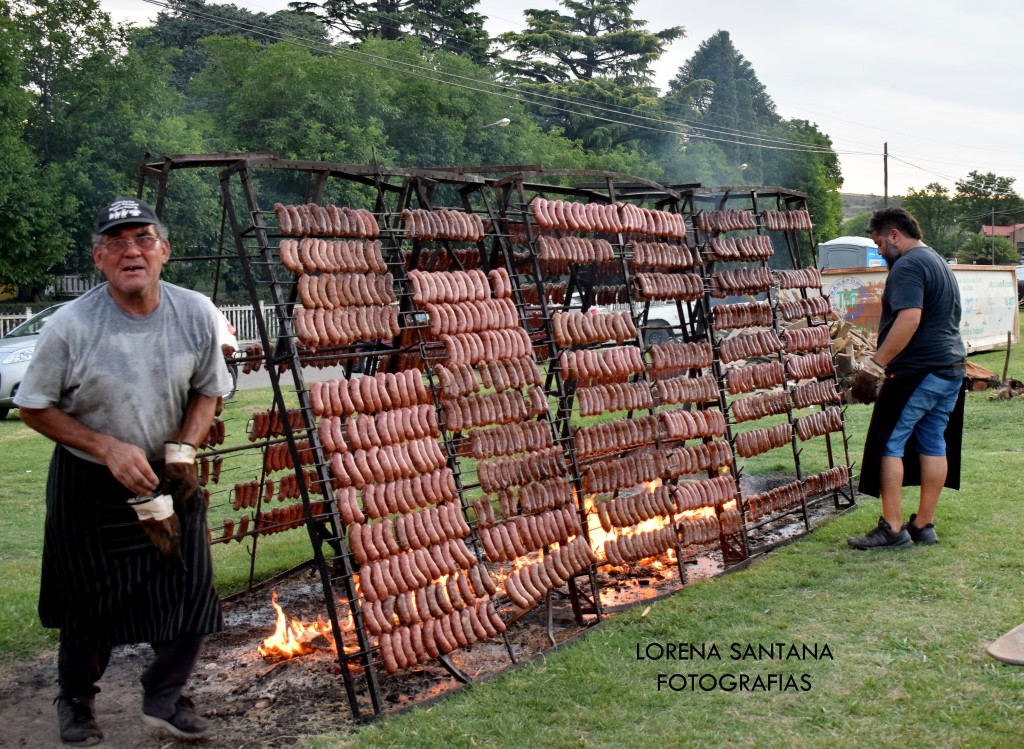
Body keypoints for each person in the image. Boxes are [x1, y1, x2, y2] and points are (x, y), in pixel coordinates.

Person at [14, 197, 232, 744]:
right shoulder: (70, 326)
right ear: (98, 258)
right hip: (91, 482)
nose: (130, 250)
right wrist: (108, 449)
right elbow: (34, 407)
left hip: (169, 472)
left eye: (142, 239)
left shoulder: (196, 312)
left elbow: (209, 391)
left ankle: (164, 698)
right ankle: (77, 702)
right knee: (88, 601)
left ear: (164, 251)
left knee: (189, 590)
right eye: (116, 242)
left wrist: (185, 445)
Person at [847, 207, 967, 550]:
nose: (880, 251)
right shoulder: (937, 261)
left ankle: (894, 528)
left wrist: (875, 364)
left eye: (880, 243)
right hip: (950, 367)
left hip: (918, 370)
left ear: (895, 235)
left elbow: (910, 318)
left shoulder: (908, 265)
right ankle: (924, 525)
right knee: (932, 441)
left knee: (888, 442)